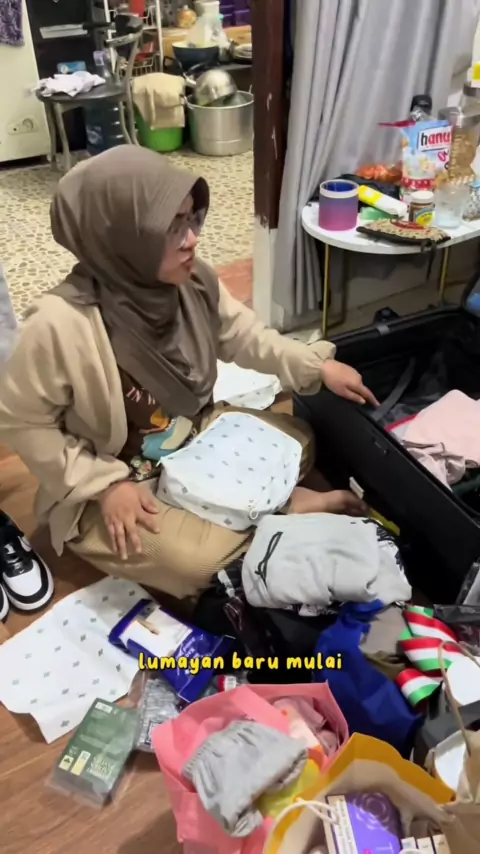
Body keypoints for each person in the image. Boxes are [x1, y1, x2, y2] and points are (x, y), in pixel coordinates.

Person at [0, 146, 378, 599]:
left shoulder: (191, 281)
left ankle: (259, 515)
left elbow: (243, 335)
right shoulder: (59, 324)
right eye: (170, 227)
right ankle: (278, 510)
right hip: (119, 479)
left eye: (190, 218)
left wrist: (316, 365)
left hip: (193, 440)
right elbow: (23, 423)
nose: (191, 239)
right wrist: (103, 486)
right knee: (199, 566)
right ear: (122, 239)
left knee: (301, 437)